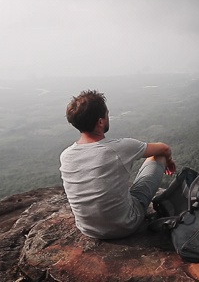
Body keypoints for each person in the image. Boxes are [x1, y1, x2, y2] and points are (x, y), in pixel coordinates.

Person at [60, 90, 176, 239]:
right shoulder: (118, 148)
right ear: (101, 122)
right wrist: (169, 161)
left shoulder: (66, 156)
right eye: (107, 114)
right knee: (158, 156)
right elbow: (164, 148)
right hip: (126, 225)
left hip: (88, 230)